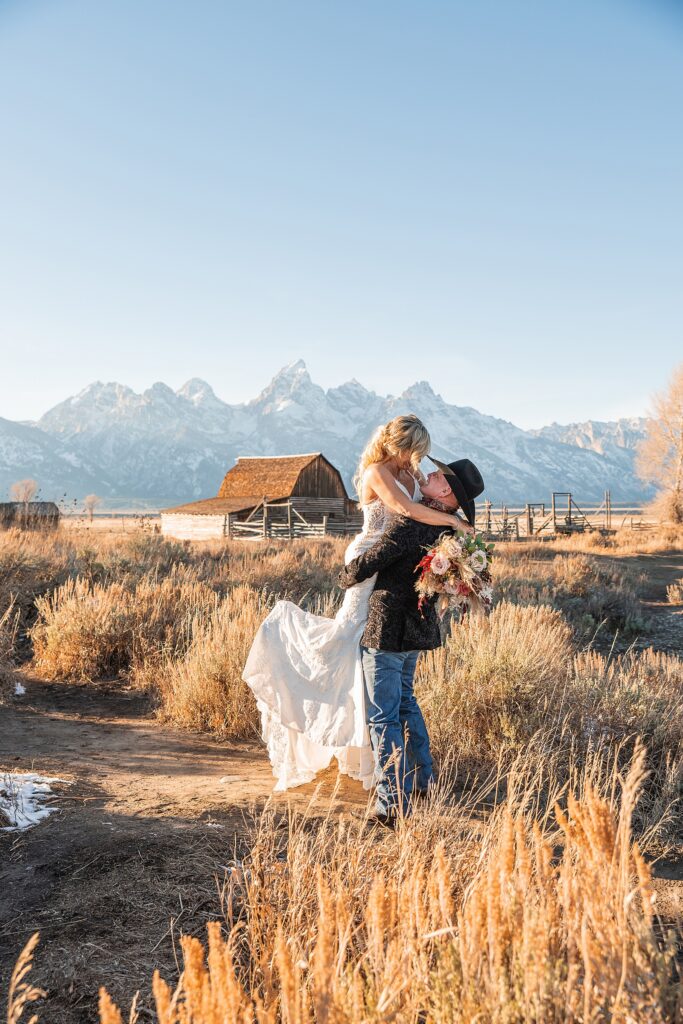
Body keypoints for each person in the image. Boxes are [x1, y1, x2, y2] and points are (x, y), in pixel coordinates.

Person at [242, 416, 470, 791]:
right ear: (398, 445)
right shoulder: (376, 472)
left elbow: (417, 516)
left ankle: (382, 764)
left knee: (369, 654)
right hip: (370, 557)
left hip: (392, 563)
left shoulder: (411, 475)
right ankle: (318, 695)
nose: (419, 459)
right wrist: (456, 523)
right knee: (350, 637)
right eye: (415, 450)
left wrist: (452, 522)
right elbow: (407, 512)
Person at [338, 458, 485, 824]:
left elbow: (375, 560)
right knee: (406, 704)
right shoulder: (452, 534)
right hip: (418, 631)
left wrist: (347, 574)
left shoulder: (413, 522)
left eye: (438, 476)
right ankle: (423, 782)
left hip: (388, 629)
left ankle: (392, 805)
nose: (429, 475)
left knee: (382, 716)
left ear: (446, 493)